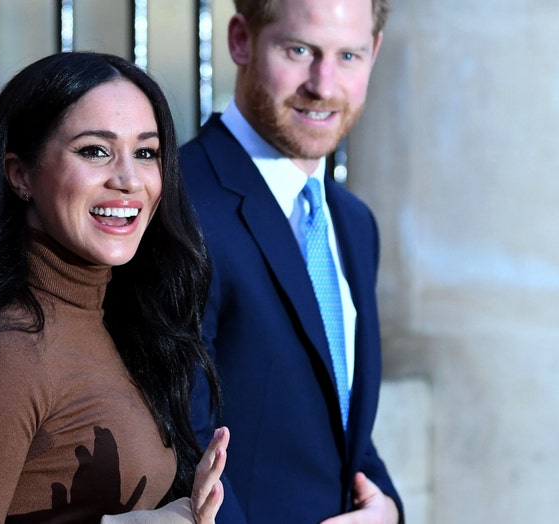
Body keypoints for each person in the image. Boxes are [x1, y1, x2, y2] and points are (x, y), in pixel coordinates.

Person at [0, 51, 230, 523]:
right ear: (20, 174)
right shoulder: (1, 353)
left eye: (146, 152)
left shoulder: (113, 317)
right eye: (95, 151)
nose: (129, 179)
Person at [180, 0, 403, 522]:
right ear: (241, 40)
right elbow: (178, 437)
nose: (323, 85)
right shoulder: (180, 203)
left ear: (374, 53)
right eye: (299, 50)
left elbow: (340, 426)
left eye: (348, 55)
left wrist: (388, 510)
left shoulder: (353, 223)